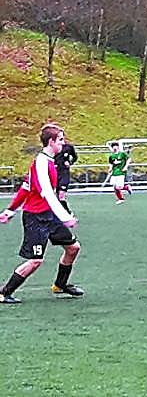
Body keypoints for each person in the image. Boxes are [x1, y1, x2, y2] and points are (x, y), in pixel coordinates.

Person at [0, 123, 83, 304]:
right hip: (36, 218)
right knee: (35, 261)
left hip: (49, 216)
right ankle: (4, 293)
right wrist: (65, 217)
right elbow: (46, 193)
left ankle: (60, 285)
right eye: (60, 140)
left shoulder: (49, 161)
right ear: (51, 141)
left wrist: (10, 210)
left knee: (73, 248)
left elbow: (26, 188)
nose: (63, 143)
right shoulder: (41, 163)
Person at [54, 137, 78, 214]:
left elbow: (75, 157)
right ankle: (58, 213)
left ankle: (68, 213)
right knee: (56, 196)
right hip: (54, 173)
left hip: (64, 173)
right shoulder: (52, 148)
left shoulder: (68, 147)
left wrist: (70, 162)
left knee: (61, 195)